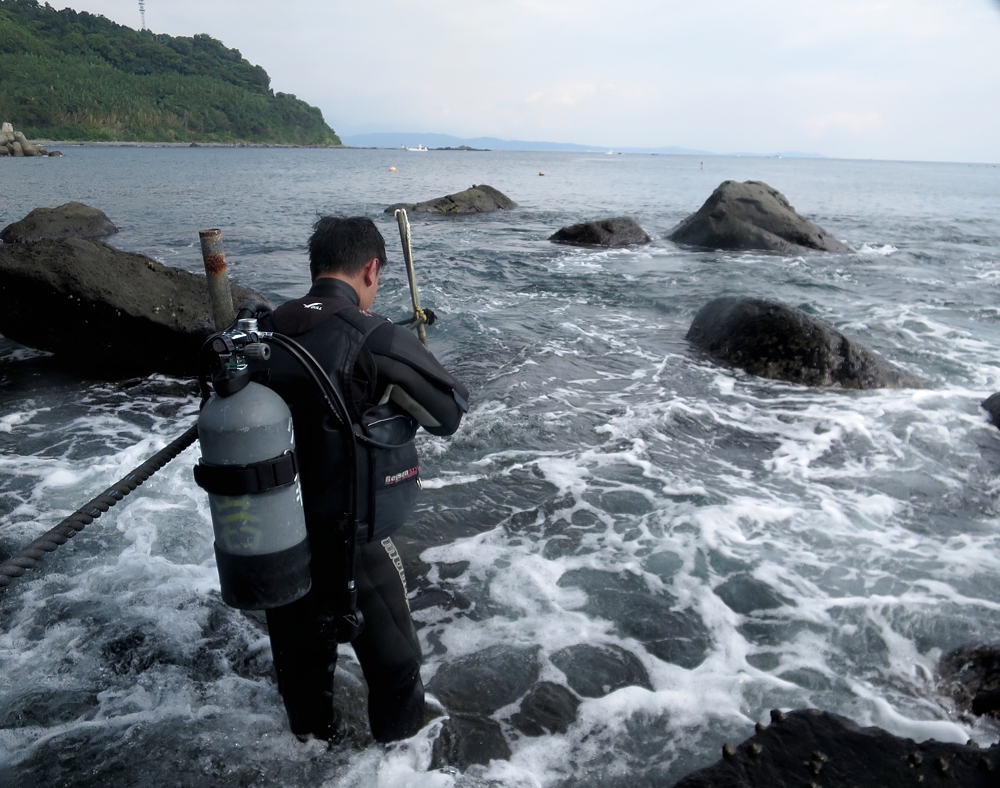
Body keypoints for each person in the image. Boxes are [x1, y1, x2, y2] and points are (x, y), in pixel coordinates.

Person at [255, 216, 469, 743]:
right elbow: (448, 415)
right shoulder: (373, 336)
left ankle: (314, 755)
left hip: (272, 537)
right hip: (349, 542)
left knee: (303, 681)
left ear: (315, 268)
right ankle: (395, 768)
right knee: (397, 670)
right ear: (371, 269)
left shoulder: (264, 331)